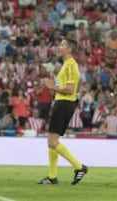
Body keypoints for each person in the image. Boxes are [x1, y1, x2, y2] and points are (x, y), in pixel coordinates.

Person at [38, 38, 88, 185]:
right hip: (61, 102)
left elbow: (70, 90)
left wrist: (52, 87)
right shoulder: (66, 65)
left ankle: (79, 167)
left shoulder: (71, 65)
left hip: (65, 104)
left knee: (53, 142)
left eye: (62, 45)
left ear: (69, 49)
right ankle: (52, 177)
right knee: (51, 142)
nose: (58, 47)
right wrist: (52, 87)